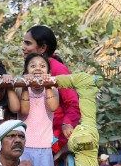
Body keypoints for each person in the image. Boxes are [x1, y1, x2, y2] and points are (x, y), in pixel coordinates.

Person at [21, 26, 80, 154]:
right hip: (32, 138)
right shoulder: (29, 69)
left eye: (28, 43)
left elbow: (73, 104)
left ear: (42, 48)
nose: (23, 47)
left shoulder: (58, 69)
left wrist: (67, 124)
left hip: (53, 139)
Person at [18, 53, 61, 166]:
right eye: (33, 66)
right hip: (24, 148)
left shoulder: (53, 89)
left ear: (48, 73)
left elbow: (53, 107)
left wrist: (47, 85)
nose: (37, 68)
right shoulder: (21, 88)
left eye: (42, 66)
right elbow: (24, 111)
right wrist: (25, 85)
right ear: (26, 72)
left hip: (44, 148)